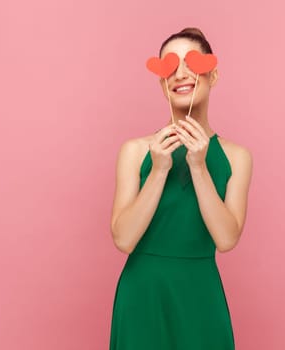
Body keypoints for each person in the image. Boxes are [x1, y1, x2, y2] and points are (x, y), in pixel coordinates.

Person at [109, 27, 252, 350]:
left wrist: (199, 167)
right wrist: (159, 170)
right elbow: (124, 238)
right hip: (143, 295)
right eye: (170, 67)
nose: (181, 73)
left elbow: (227, 238)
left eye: (192, 63)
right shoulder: (135, 151)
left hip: (200, 294)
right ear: (163, 84)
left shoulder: (237, 157)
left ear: (213, 75)